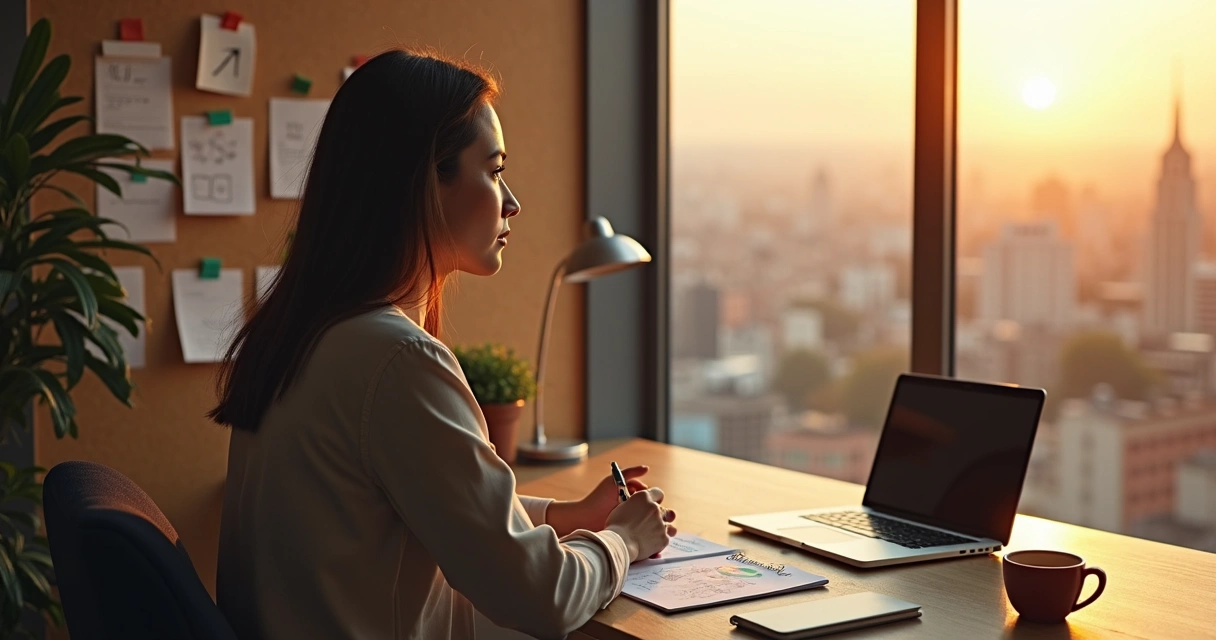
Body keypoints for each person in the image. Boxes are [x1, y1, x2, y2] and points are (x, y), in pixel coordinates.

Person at [209, 50, 676, 640]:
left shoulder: (300, 334)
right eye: (495, 170)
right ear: (427, 183)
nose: (512, 202)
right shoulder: (396, 361)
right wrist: (623, 540)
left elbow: (435, 509)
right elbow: (542, 596)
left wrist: (569, 516)